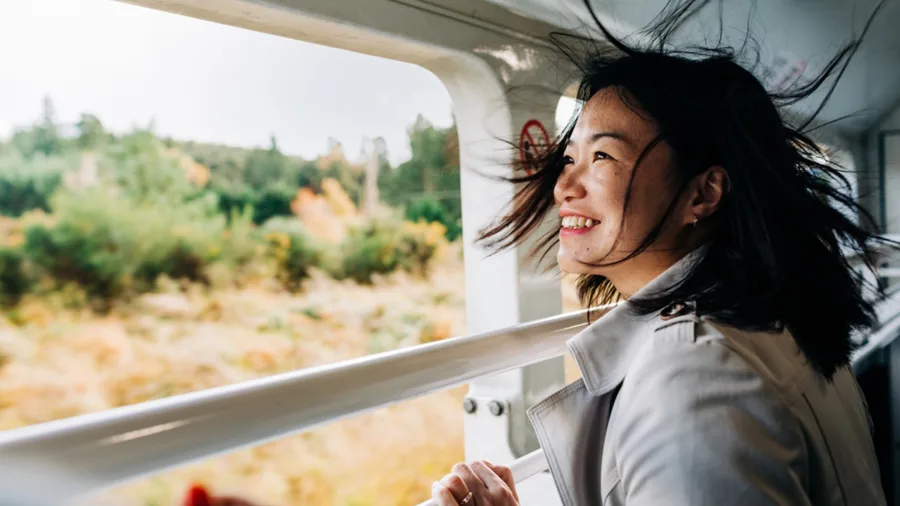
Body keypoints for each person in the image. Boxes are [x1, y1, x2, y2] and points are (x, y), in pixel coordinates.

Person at [431, 0, 890, 505]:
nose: (564, 186)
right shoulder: (773, 317)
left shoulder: (696, 382)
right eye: (570, 157)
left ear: (703, 194)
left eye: (603, 155)